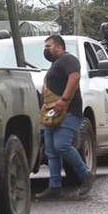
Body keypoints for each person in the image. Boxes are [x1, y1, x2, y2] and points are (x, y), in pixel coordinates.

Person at [35, 34, 95, 200]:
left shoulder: (68, 59)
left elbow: (74, 77)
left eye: (49, 46)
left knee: (61, 145)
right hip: (52, 113)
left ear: (59, 47)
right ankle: (55, 187)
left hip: (68, 111)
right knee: (52, 151)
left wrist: (64, 99)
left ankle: (85, 175)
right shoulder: (56, 63)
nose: (46, 50)